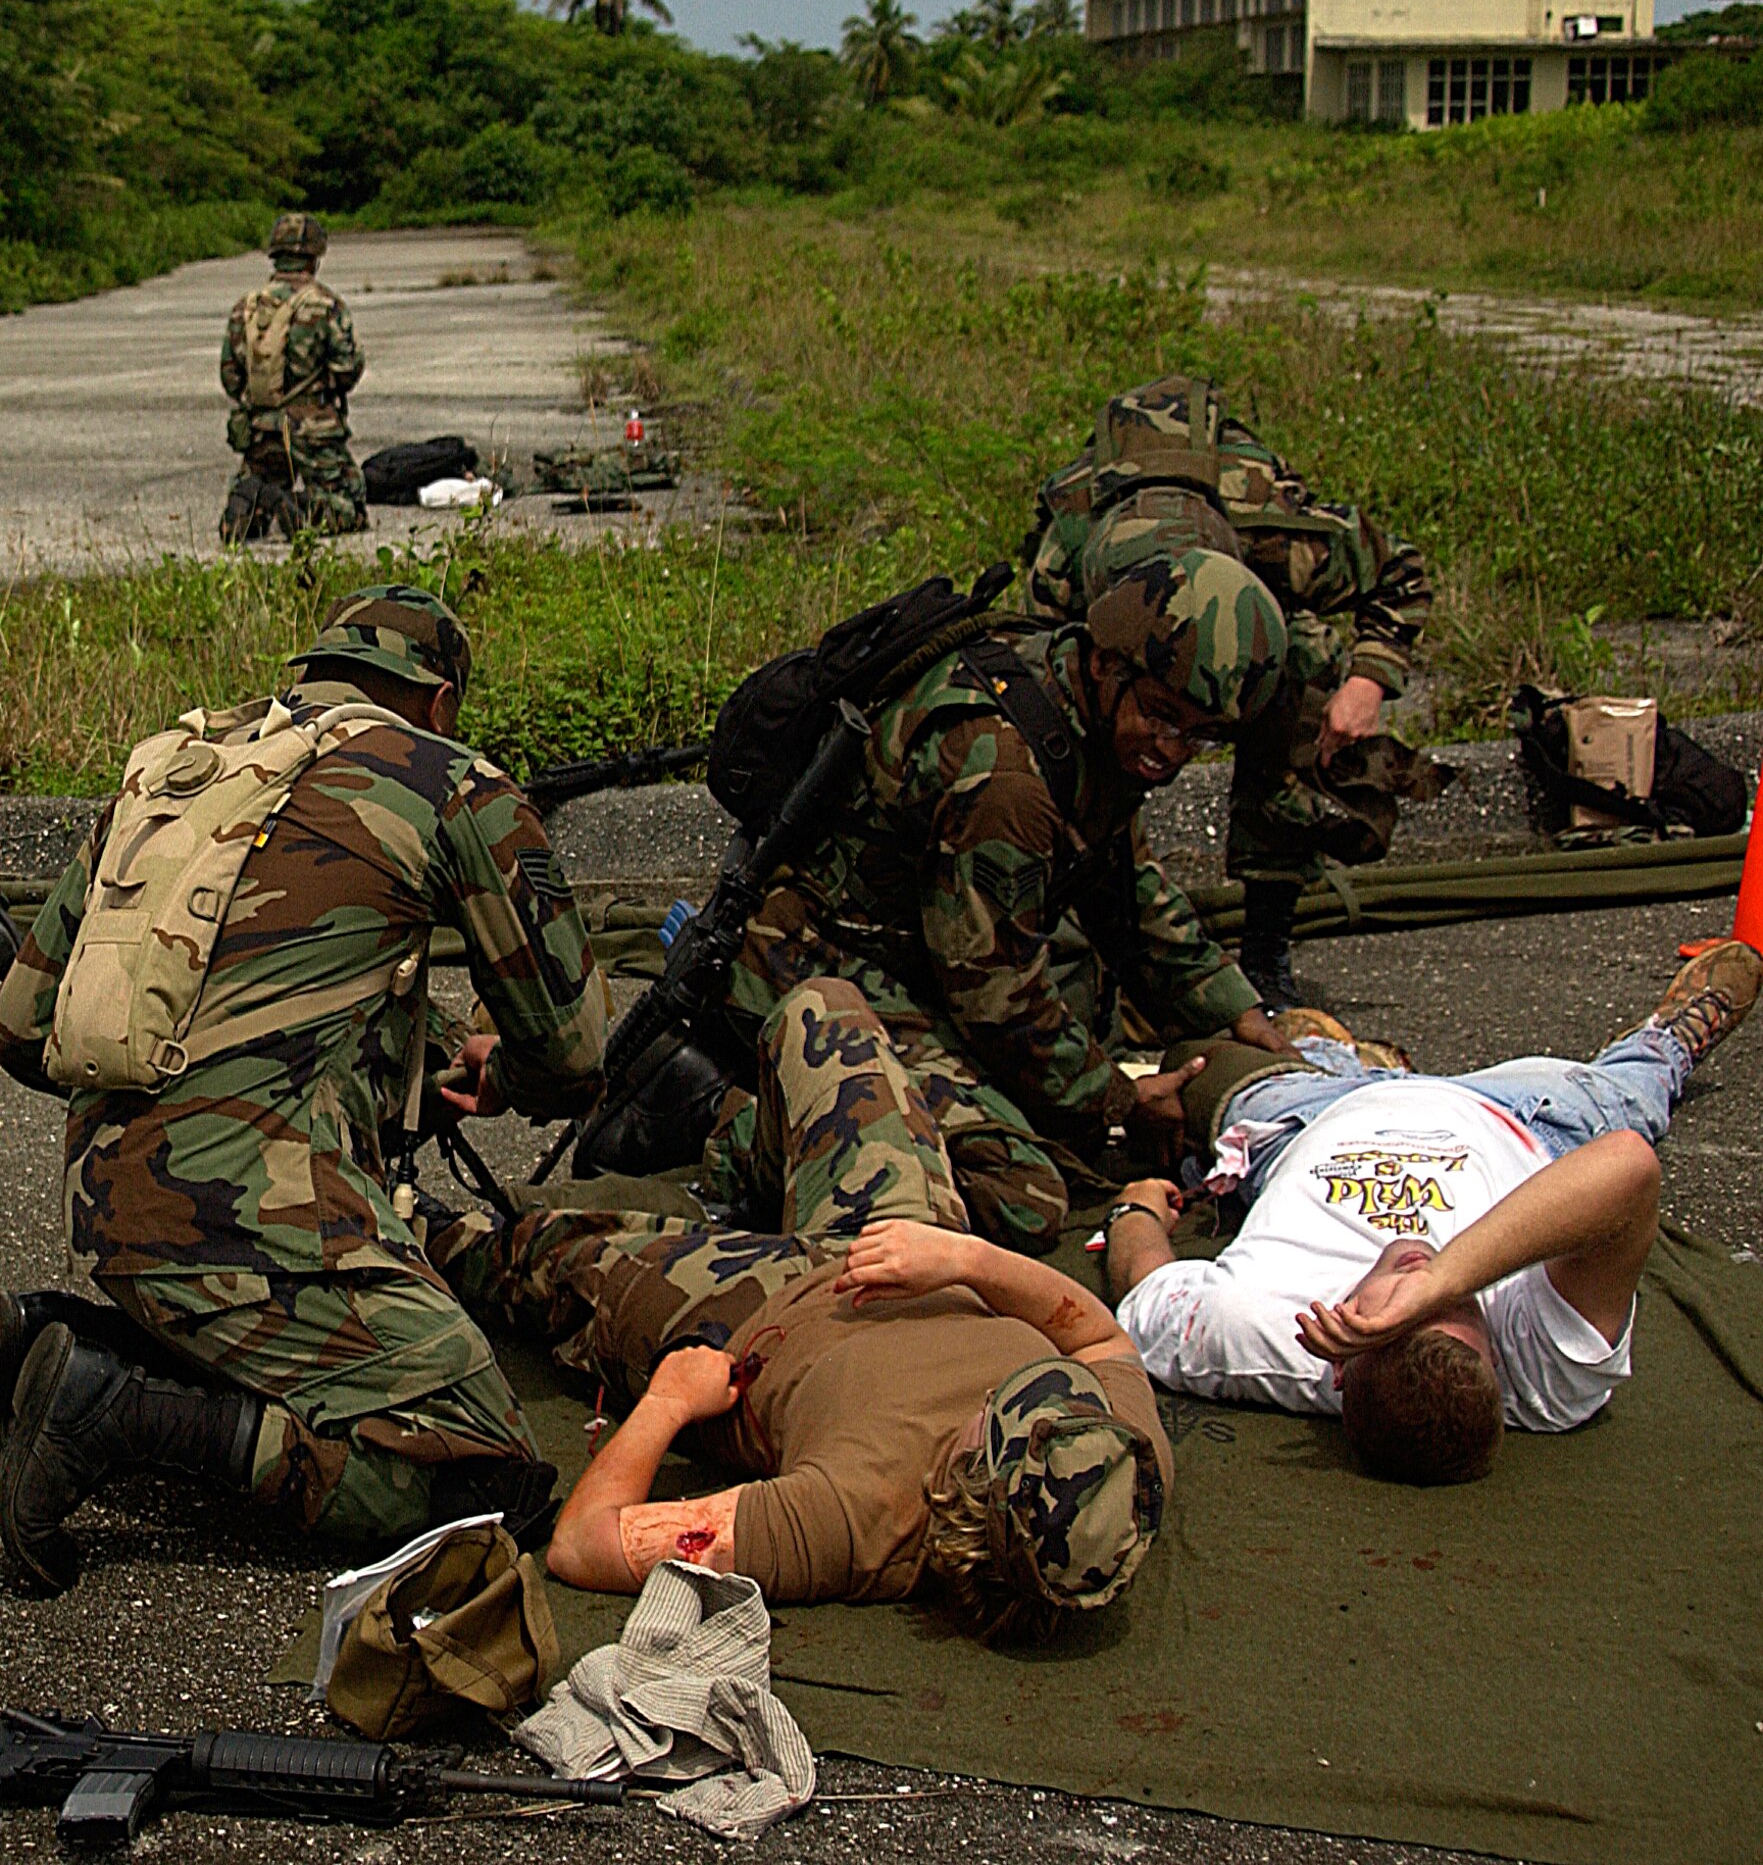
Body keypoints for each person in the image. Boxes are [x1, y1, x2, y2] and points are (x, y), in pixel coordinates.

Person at [0, 586, 607, 1593]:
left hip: (109, 1209)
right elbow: (574, 1048)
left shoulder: (179, 768)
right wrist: (500, 1073)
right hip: (257, 1226)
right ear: (440, 698)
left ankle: (38, 1331)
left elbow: (22, 1024)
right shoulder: (448, 780)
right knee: (484, 1473)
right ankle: (118, 1408)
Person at [424, 974, 1171, 1641]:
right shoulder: (1112, 1454)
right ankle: (724, 1135)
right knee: (823, 1010)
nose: (1029, 1389)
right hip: (902, 1250)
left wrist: (668, 1402)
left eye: (1010, 1411)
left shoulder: (850, 1524)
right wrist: (963, 1259)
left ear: (973, 1489)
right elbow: (1101, 1341)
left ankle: (415, 1223)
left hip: (748, 1318)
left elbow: (584, 1544)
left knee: (534, 1249)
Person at [720, 549, 1297, 1254]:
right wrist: (1118, 1101)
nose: (1172, 751)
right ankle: (722, 1126)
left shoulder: (1073, 699)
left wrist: (1236, 1010)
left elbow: (1129, 888)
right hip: (818, 967)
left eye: (1202, 735)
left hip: (925, 953)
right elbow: (998, 1000)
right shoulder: (1007, 779)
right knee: (1023, 1190)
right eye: (1161, 716)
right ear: (1105, 666)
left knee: (1071, 1060)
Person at [1101, 941, 1763, 1484]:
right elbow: (1625, 1167)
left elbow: (1146, 1287)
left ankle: (1332, 1057)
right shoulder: (1546, 1379)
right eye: (1455, 1313)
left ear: (1339, 1365)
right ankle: (1666, 1041)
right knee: (1631, 1101)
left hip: (1307, 1118)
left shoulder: (1250, 1338)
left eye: (1402, 1314)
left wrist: (1134, 1211)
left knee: (1190, 1068)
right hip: (1519, 1116)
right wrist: (1443, 1281)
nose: (1420, 1280)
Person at [1026, 373, 1440, 1008]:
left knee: (1305, 659)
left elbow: (1400, 573)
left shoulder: (1279, 540)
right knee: (1062, 735)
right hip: (1101, 645)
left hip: (1255, 596)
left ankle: (1268, 939)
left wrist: (1368, 681)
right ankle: (1088, 924)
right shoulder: (1065, 566)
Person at [219, 212, 368, 542]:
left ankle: (250, 505)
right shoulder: (326, 306)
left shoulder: (246, 307)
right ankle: (301, 510)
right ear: (314, 259)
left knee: (257, 479)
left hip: (259, 432)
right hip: (312, 432)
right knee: (350, 507)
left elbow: (230, 377)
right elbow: (347, 371)